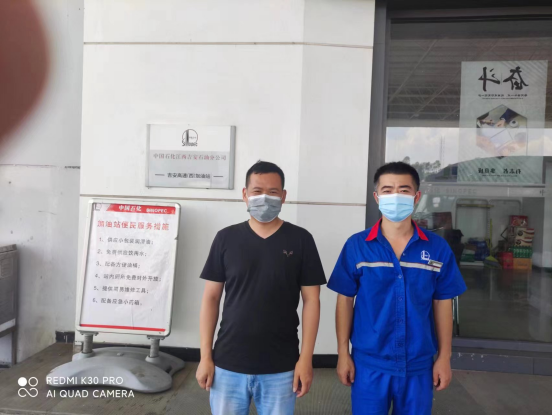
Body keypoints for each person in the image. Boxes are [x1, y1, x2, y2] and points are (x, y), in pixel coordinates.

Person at [328, 161, 466, 415]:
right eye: (387, 190)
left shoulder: (437, 249)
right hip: (369, 364)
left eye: (404, 190)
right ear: (376, 197)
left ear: (416, 197)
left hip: (419, 365)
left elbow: (442, 303)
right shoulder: (357, 246)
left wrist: (444, 357)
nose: (395, 196)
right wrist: (342, 353)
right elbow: (344, 300)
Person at [196, 161, 327, 415]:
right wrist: (205, 357)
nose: (264, 198)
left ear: (284, 196)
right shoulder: (225, 238)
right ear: (245, 194)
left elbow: (312, 301)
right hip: (228, 363)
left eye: (273, 192)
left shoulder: (301, 240)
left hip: (282, 366)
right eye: (257, 191)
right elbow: (211, 298)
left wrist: (306, 359)